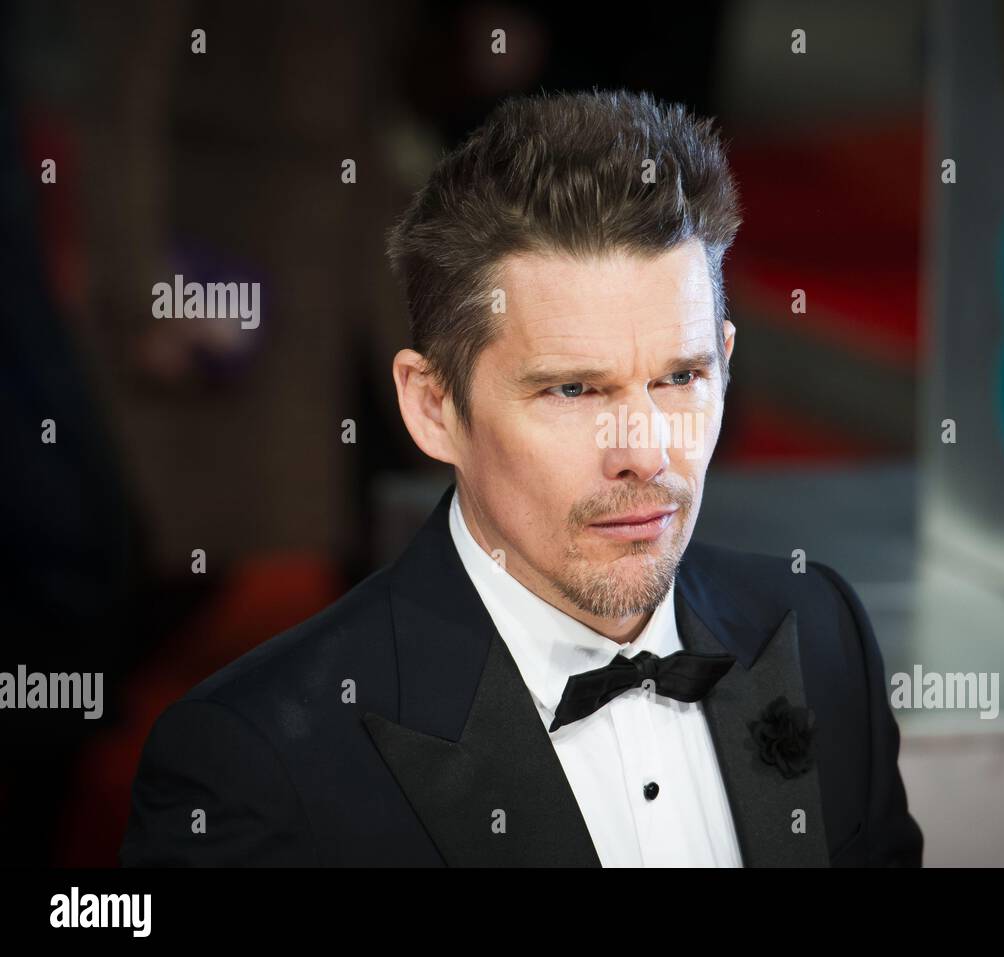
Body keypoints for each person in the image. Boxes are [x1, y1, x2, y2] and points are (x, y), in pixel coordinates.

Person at [119, 88, 923, 867]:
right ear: (434, 407)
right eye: (573, 389)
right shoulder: (257, 766)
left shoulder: (822, 635)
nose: (642, 450)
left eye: (680, 377)